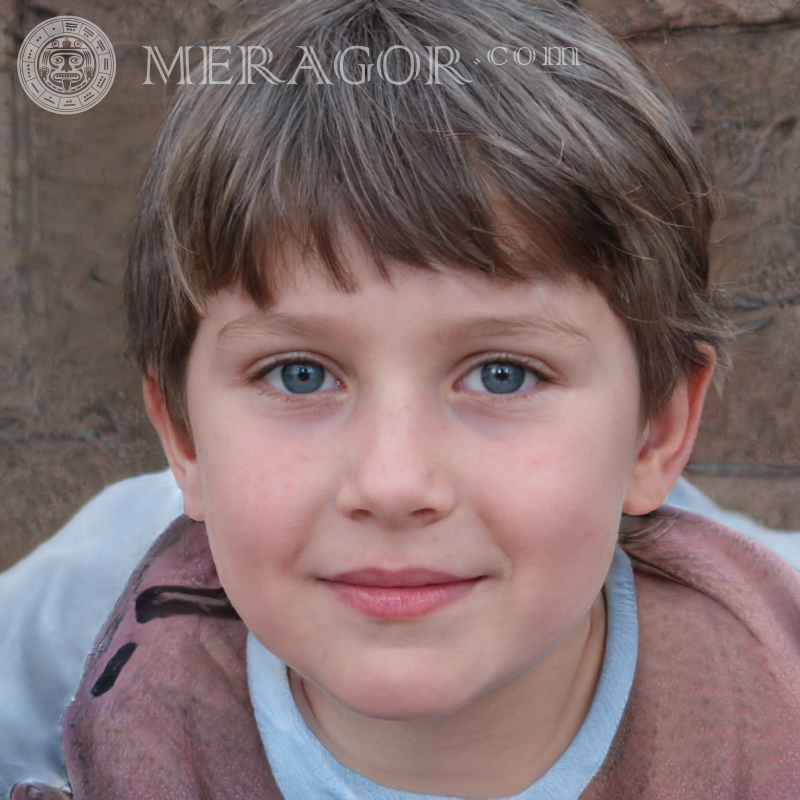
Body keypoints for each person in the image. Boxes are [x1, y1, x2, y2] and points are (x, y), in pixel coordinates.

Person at [4, 0, 800, 797]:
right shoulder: (86, 603)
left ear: (655, 433)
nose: (392, 484)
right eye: (299, 374)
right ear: (184, 437)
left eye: (502, 374)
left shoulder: (775, 662)